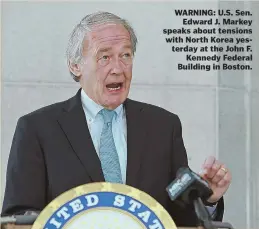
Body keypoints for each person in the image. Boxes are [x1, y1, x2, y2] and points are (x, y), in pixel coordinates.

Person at [2, 11, 231, 226]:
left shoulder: (163, 126)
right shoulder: (38, 129)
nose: (118, 68)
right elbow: (18, 218)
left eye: (125, 55)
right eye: (104, 57)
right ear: (75, 65)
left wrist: (207, 200)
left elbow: (179, 219)